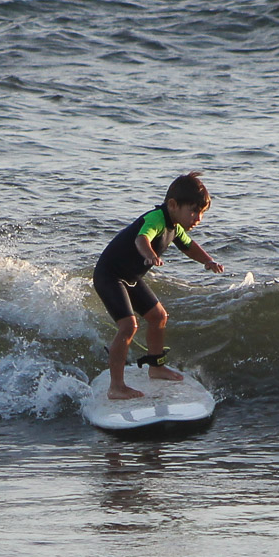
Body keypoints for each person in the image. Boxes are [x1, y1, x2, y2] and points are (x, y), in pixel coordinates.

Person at [93, 171, 224, 400]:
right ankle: (116, 387)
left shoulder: (175, 227)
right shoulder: (156, 218)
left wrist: (208, 260)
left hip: (129, 276)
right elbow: (141, 238)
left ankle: (156, 367)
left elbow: (189, 246)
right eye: (193, 211)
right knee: (128, 326)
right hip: (109, 275)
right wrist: (150, 254)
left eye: (201, 213)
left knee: (158, 316)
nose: (198, 218)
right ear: (173, 205)